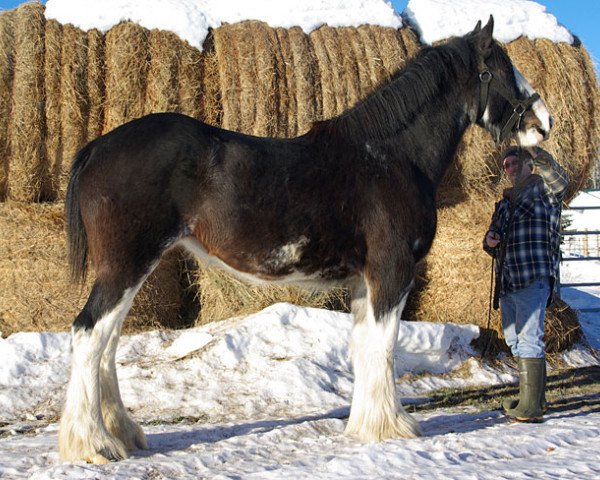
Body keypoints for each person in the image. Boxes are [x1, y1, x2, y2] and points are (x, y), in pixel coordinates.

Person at [483, 145, 569, 423]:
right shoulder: (505, 201)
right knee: (514, 339)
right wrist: (489, 241)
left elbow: (560, 179)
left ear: (527, 164)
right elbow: (491, 238)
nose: (508, 169)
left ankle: (531, 407)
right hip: (509, 281)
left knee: (530, 338)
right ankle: (533, 398)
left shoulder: (544, 190)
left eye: (513, 163)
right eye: (505, 165)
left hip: (533, 275)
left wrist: (534, 149)